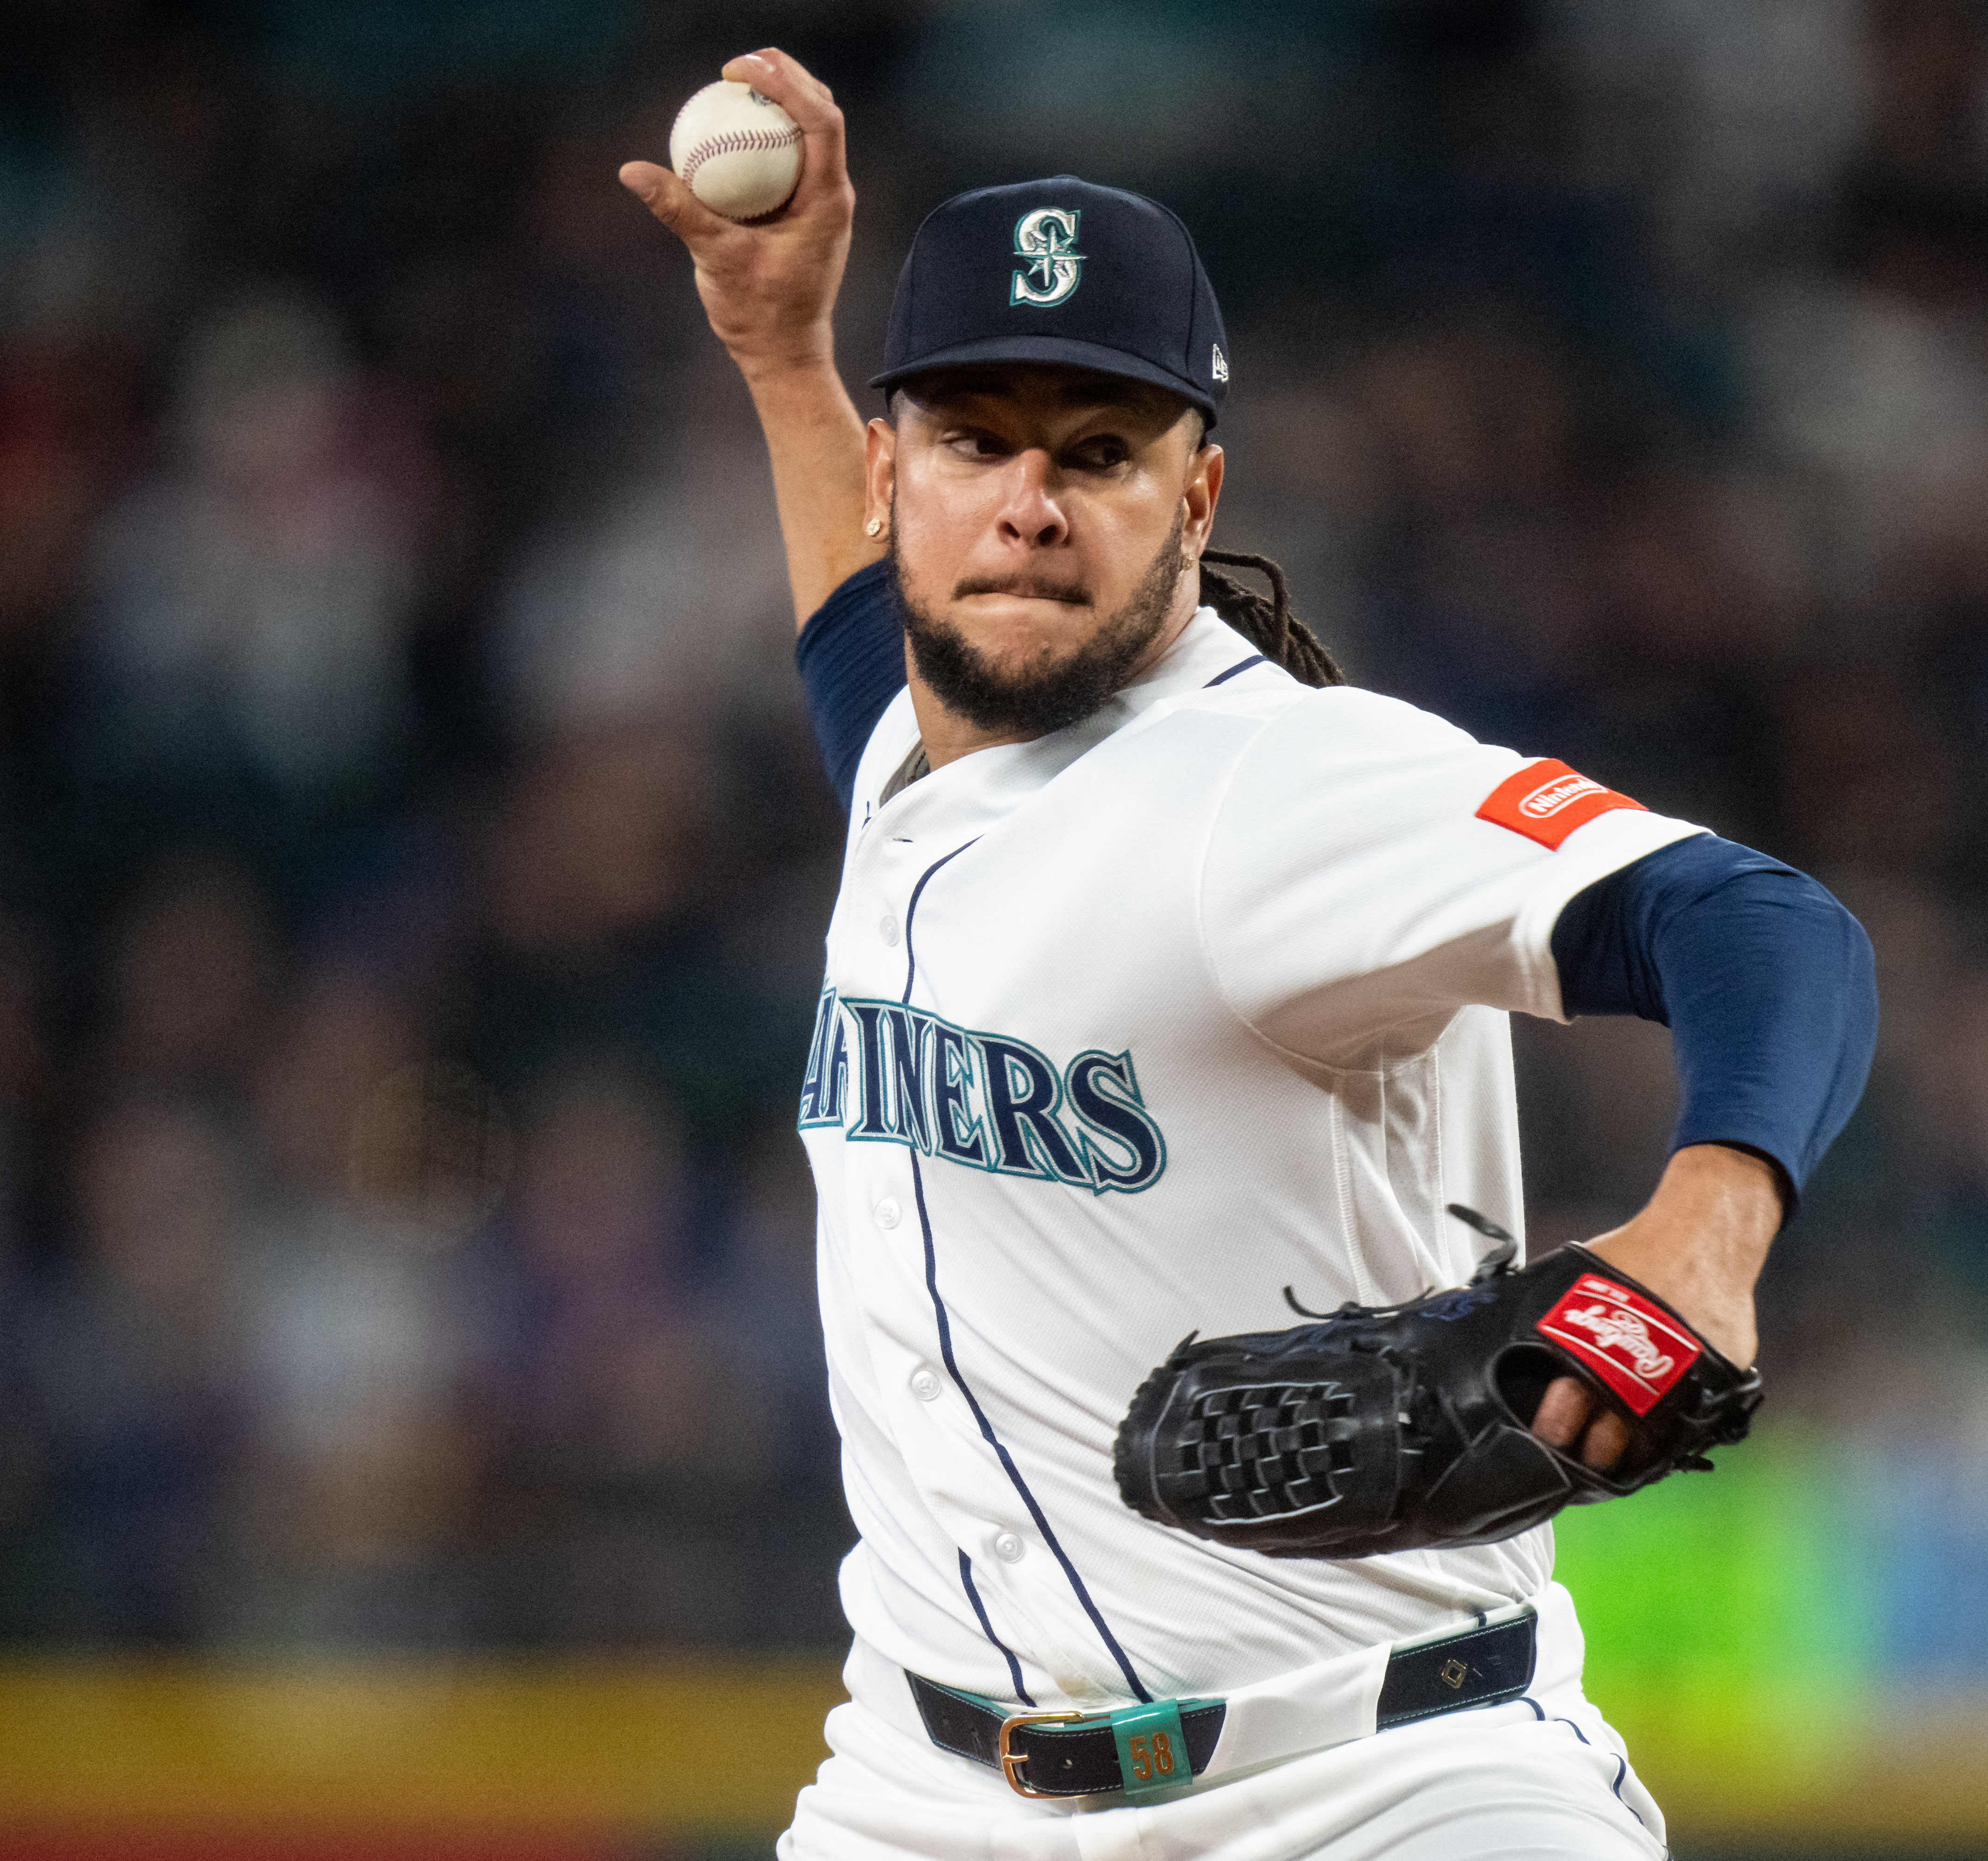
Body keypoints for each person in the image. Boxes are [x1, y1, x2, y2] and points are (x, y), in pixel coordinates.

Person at [621, 48, 1877, 1861]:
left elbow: (1758, 922)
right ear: (900, 473)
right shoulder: (923, 744)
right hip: (925, 1794)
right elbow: (855, 657)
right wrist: (779, 356)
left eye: (1098, 450)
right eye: (978, 441)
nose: (1031, 502)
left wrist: (1709, 1223)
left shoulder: (1282, 786)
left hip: (1376, 1788)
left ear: (1197, 496)